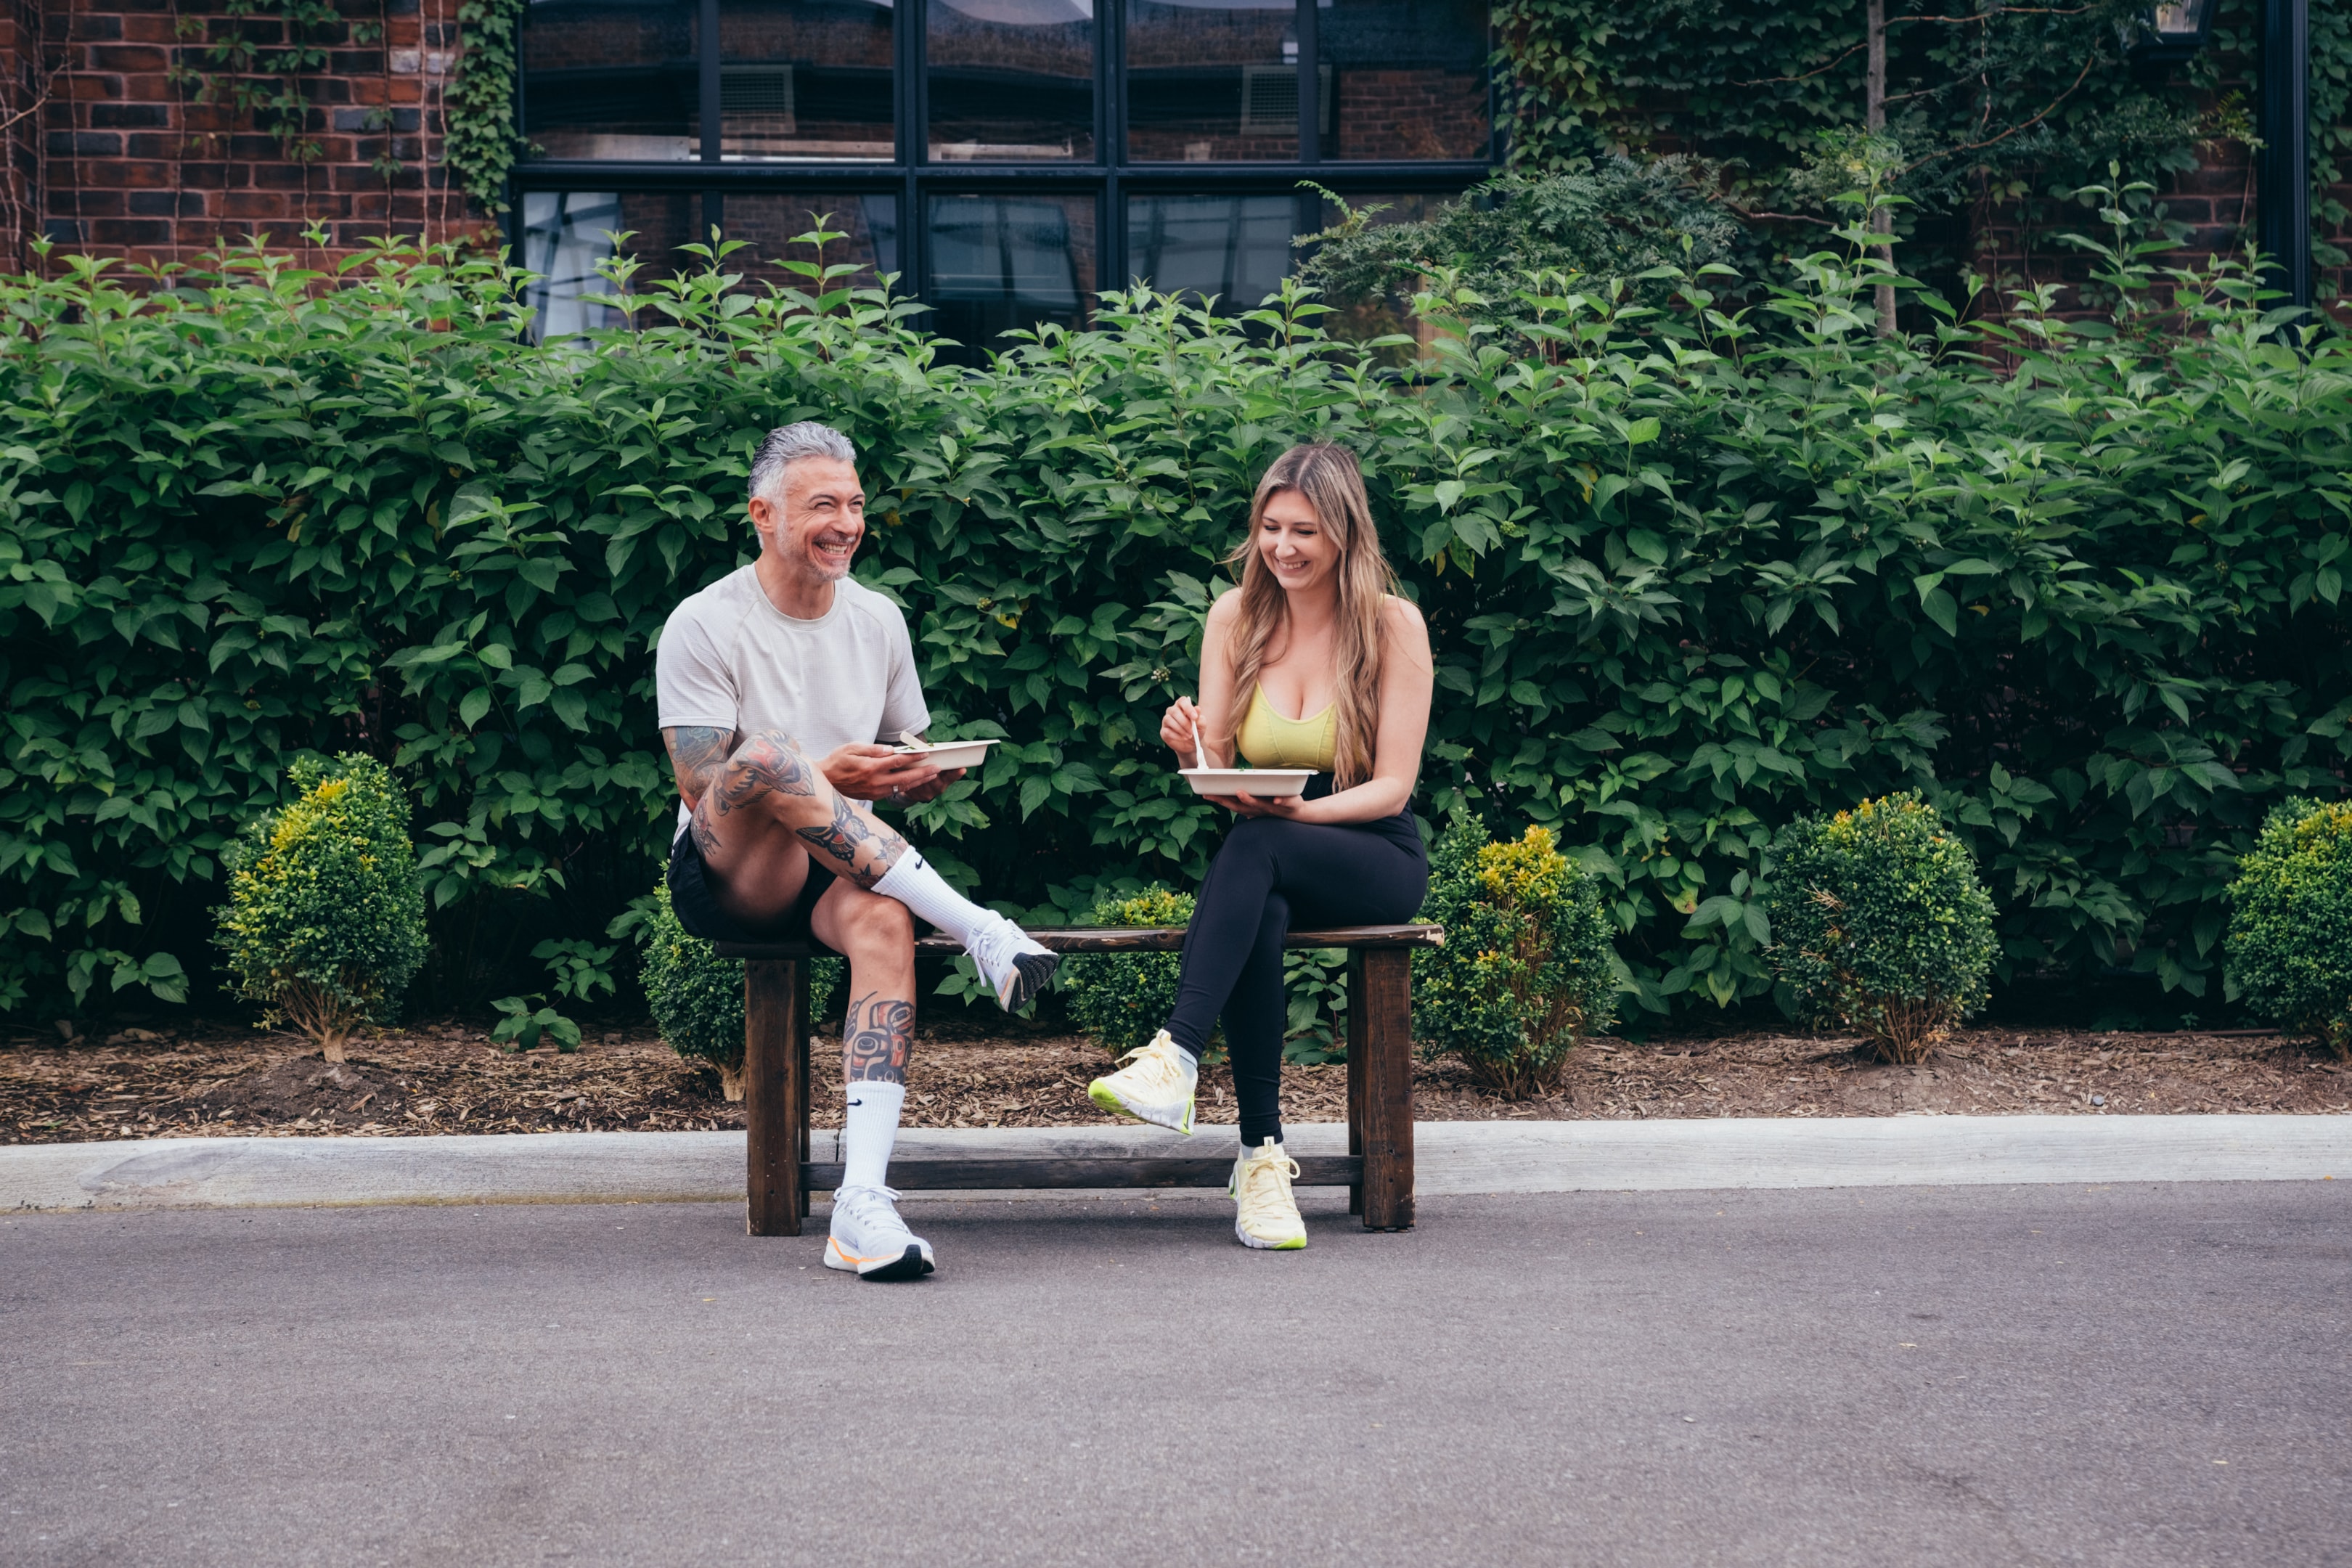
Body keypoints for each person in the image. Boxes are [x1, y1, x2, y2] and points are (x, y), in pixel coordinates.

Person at [657, 421, 1058, 1283]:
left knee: (884, 923)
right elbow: (700, 786)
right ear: (762, 514)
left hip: (842, 866)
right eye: (822, 505)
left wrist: (916, 775)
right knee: (767, 756)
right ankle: (983, 928)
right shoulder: (705, 620)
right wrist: (819, 772)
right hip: (732, 870)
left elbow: (895, 744)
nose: (846, 522)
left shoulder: (878, 618)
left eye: (856, 504)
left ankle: (862, 1204)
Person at [1087, 443, 1434, 1250]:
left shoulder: (1391, 624)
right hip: (1271, 851)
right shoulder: (1234, 617)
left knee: (1260, 847)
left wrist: (1299, 816)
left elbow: (1393, 787)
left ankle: (1176, 1054)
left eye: (1304, 531)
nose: (1283, 547)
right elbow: (1217, 769)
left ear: (1344, 534)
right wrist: (1186, 749)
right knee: (1260, 896)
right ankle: (1261, 1159)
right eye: (1271, 527)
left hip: (1374, 853)